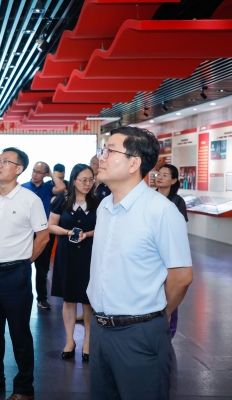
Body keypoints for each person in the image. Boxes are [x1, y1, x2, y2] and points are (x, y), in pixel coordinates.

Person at [87, 126, 193, 399]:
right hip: (99, 329)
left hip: (139, 333)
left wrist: (156, 316)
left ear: (134, 163)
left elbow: (181, 277)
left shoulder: (161, 211)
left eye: (109, 151)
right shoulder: (105, 207)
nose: (101, 157)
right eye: (102, 150)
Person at [0, 147, 49, 400]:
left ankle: (24, 388)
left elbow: (43, 236)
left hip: (16, 273)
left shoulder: (30, 200)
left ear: (18, 169)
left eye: (6, 161)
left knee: (19, 332)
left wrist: (24, 260)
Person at [48, 164, 98, 363]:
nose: (87, 184)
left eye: (91, 180)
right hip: (66, 254)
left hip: (90, 255)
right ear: (74, 180)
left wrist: (88, 234)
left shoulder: (98, 202)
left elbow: (105, 228)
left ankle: (88, 341)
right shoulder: (62, 200)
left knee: (88, 301)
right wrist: (68, 232)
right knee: (68, 299)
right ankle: (69, 341)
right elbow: (51, 226)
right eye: (83, 180)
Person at [22, 161, 66, 310]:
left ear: (45, 174)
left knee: (42, 269)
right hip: (26, 232)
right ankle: (23, 297)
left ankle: (42, 299)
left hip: (43, 232)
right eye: (34, 170)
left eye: (39, 172)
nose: (35, 174)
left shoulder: (48, 188)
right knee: (23, 266)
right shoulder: (23, 187)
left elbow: (61, 187)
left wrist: (51, 174)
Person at [155, 163, 188, 338]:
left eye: (165, 175)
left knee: (170, 291)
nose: (160, 177)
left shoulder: (177, 202)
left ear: (174, 180)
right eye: (158, 174)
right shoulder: (150, 198)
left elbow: (179, 231)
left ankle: (168, 333)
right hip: (152, 254)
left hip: (170, 254)